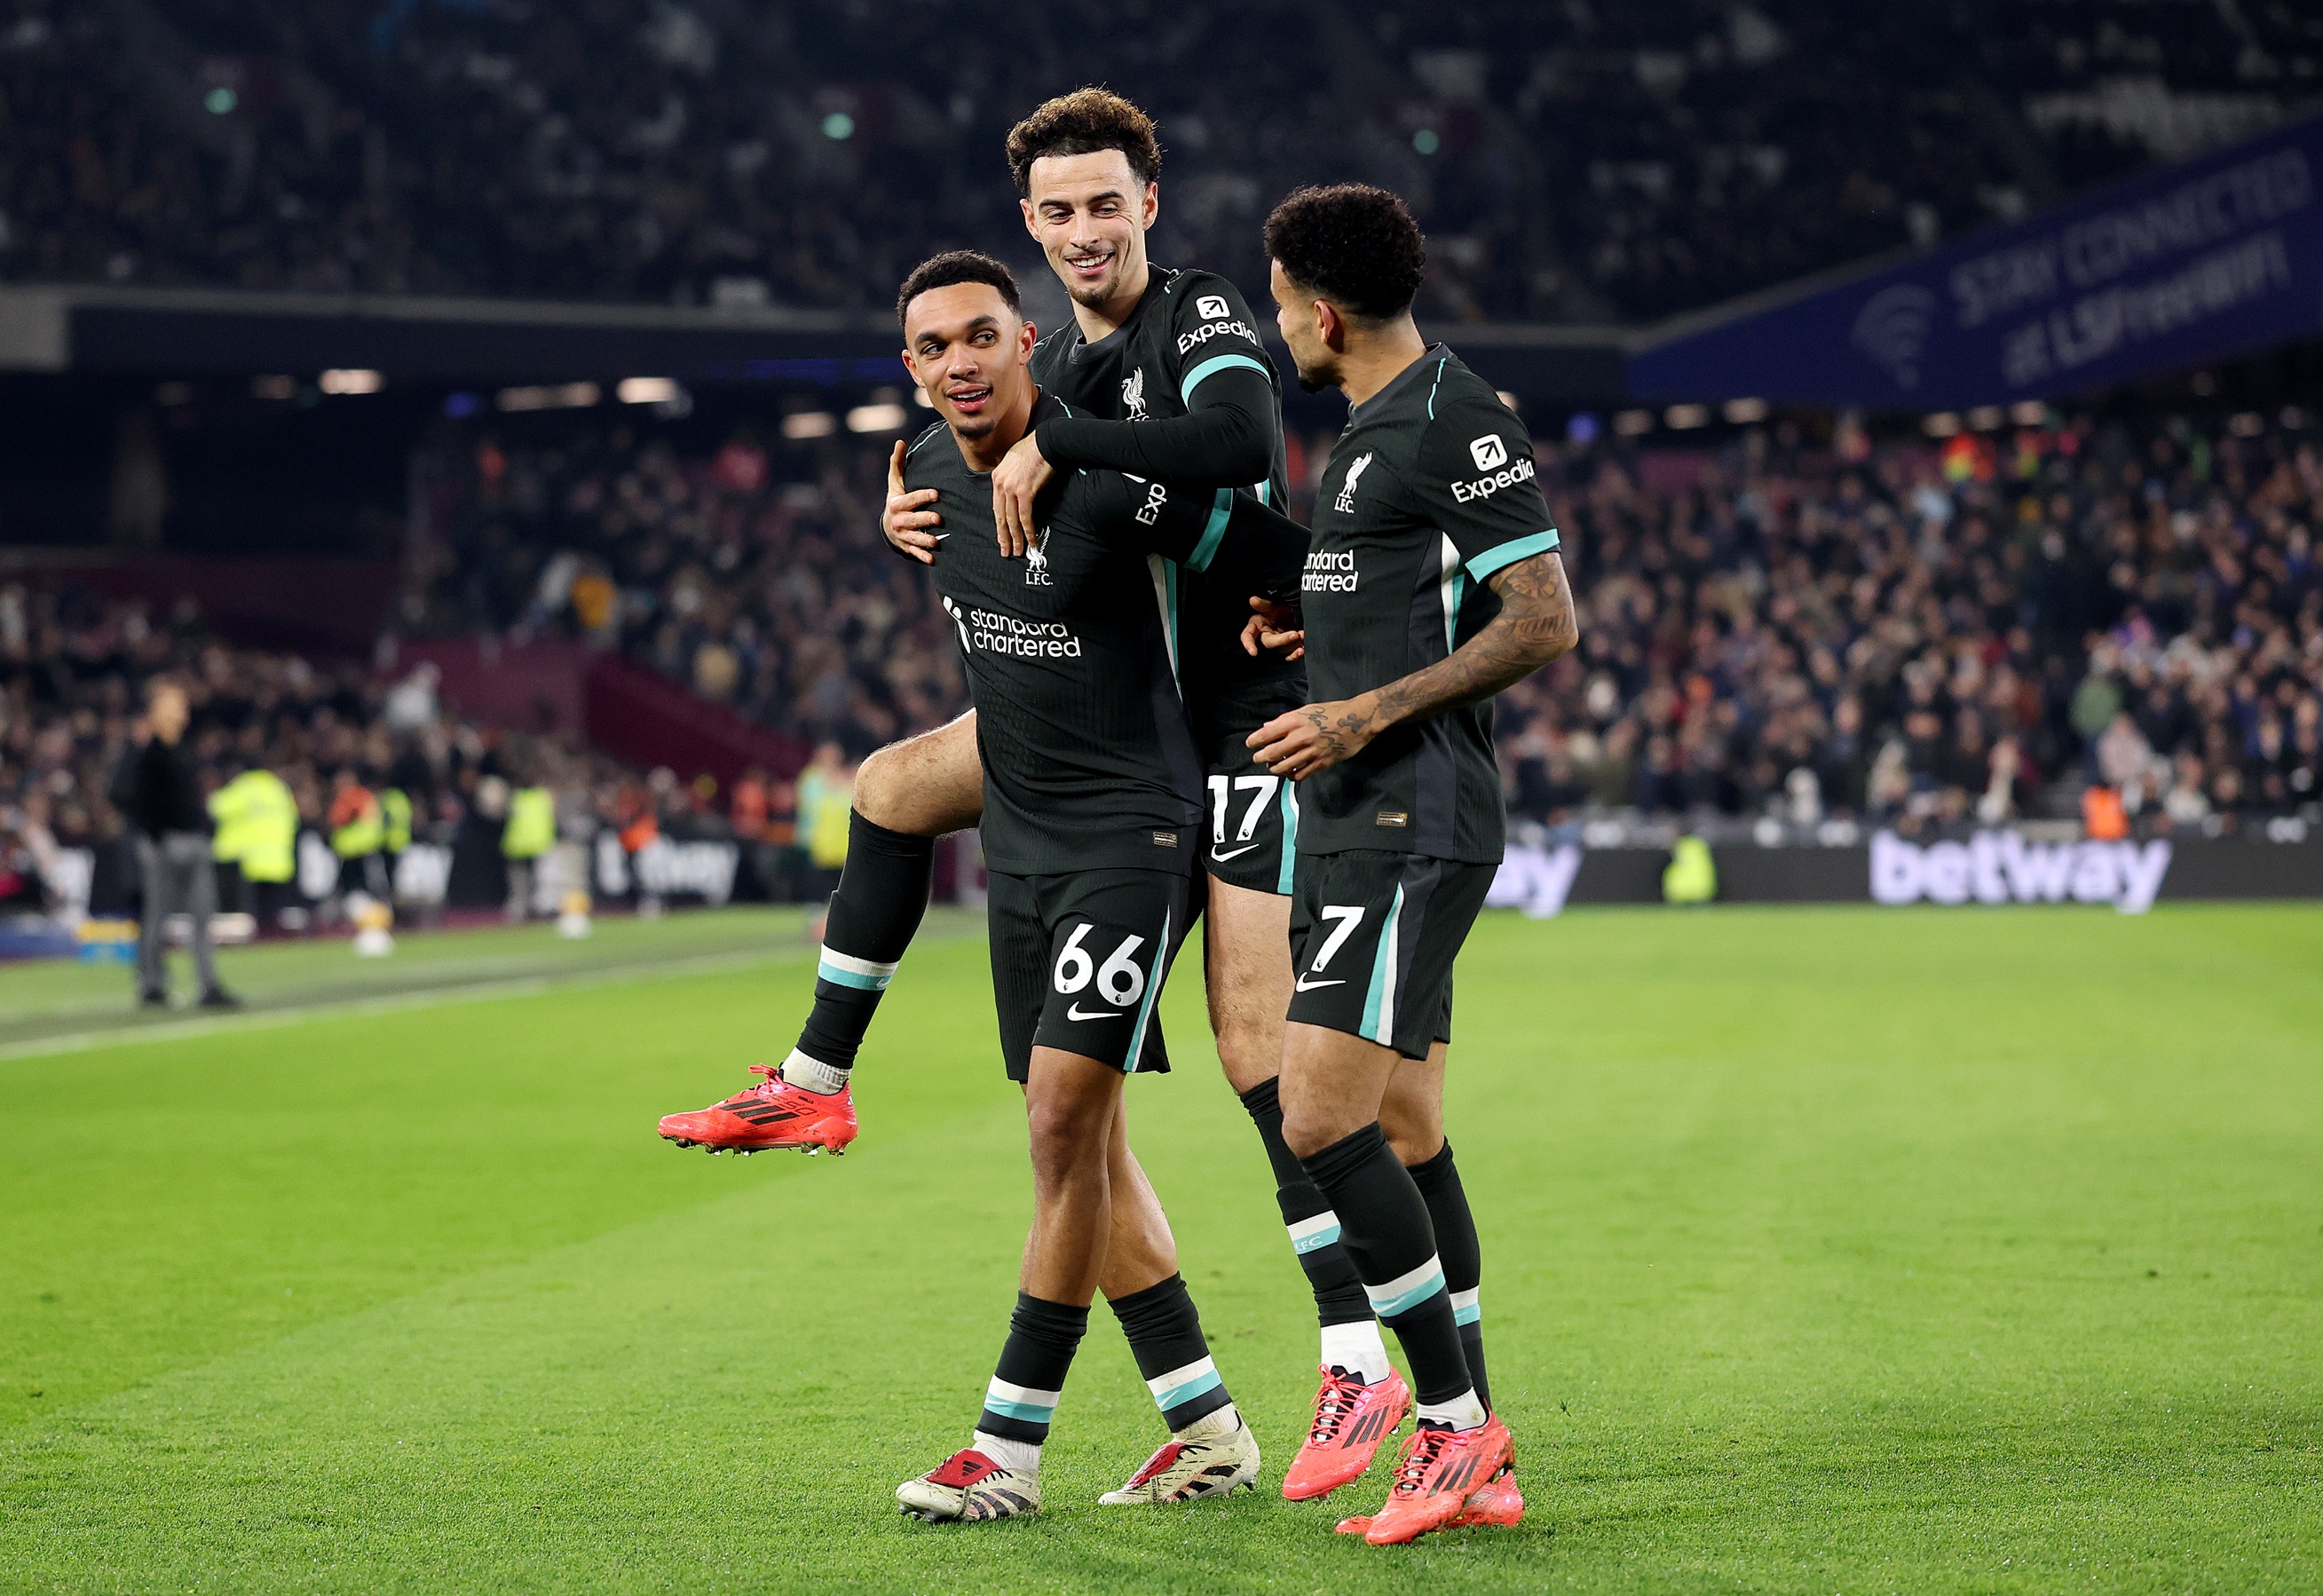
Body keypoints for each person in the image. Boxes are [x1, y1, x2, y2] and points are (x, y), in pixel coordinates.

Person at [655, 89, 1412, 1500]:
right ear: (1028, 227)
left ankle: (1357, 1359)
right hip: (1108, 727)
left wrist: (1075, 455)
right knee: (893, 798)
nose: (1082, 230)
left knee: (1258, 1051)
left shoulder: (1185, 328)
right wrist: (916, 518)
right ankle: (816, 1081)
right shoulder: (1037, 364)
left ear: (1148, 204)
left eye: (1103, 204)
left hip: (1234, 727)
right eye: (1055, 211)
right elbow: (1036, 546)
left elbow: (1244, 472)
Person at [1246, 184, 1578, 1545]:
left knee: (1317, 1113)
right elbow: (1396, 601)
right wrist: (1308, 636)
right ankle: (1480, 1452)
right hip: (1360, 817)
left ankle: (1445, 1424)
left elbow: (1542, 616)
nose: (1279, 331)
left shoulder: (1452, 413)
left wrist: (1362, 711)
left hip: (1406, 815)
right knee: (1405, 1127)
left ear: (1321, 310)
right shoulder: (1369, 432)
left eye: (1278, 306)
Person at [109, 679, 238, 1010]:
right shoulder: (142, 748)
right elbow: (121, 794)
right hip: (162, 844)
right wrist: (150, 835)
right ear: (154, 709)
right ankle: (151, 983)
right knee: (156, 917)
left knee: (201, 916)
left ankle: (208, 983)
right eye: (174, 704)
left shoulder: (183, 748)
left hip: (192, 842)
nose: (182, 712)